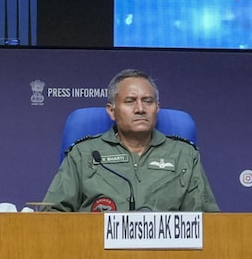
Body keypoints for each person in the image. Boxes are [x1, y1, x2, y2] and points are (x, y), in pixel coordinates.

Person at [43, 69, 219, 212]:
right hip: (94, 245)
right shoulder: (83, 154)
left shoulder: (184, 155)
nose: (140, 109)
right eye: (130, 101)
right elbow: (52, 216)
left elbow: (207, 223)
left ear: (157, 108)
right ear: (111, 111)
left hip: (166, 246)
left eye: (148, 101)